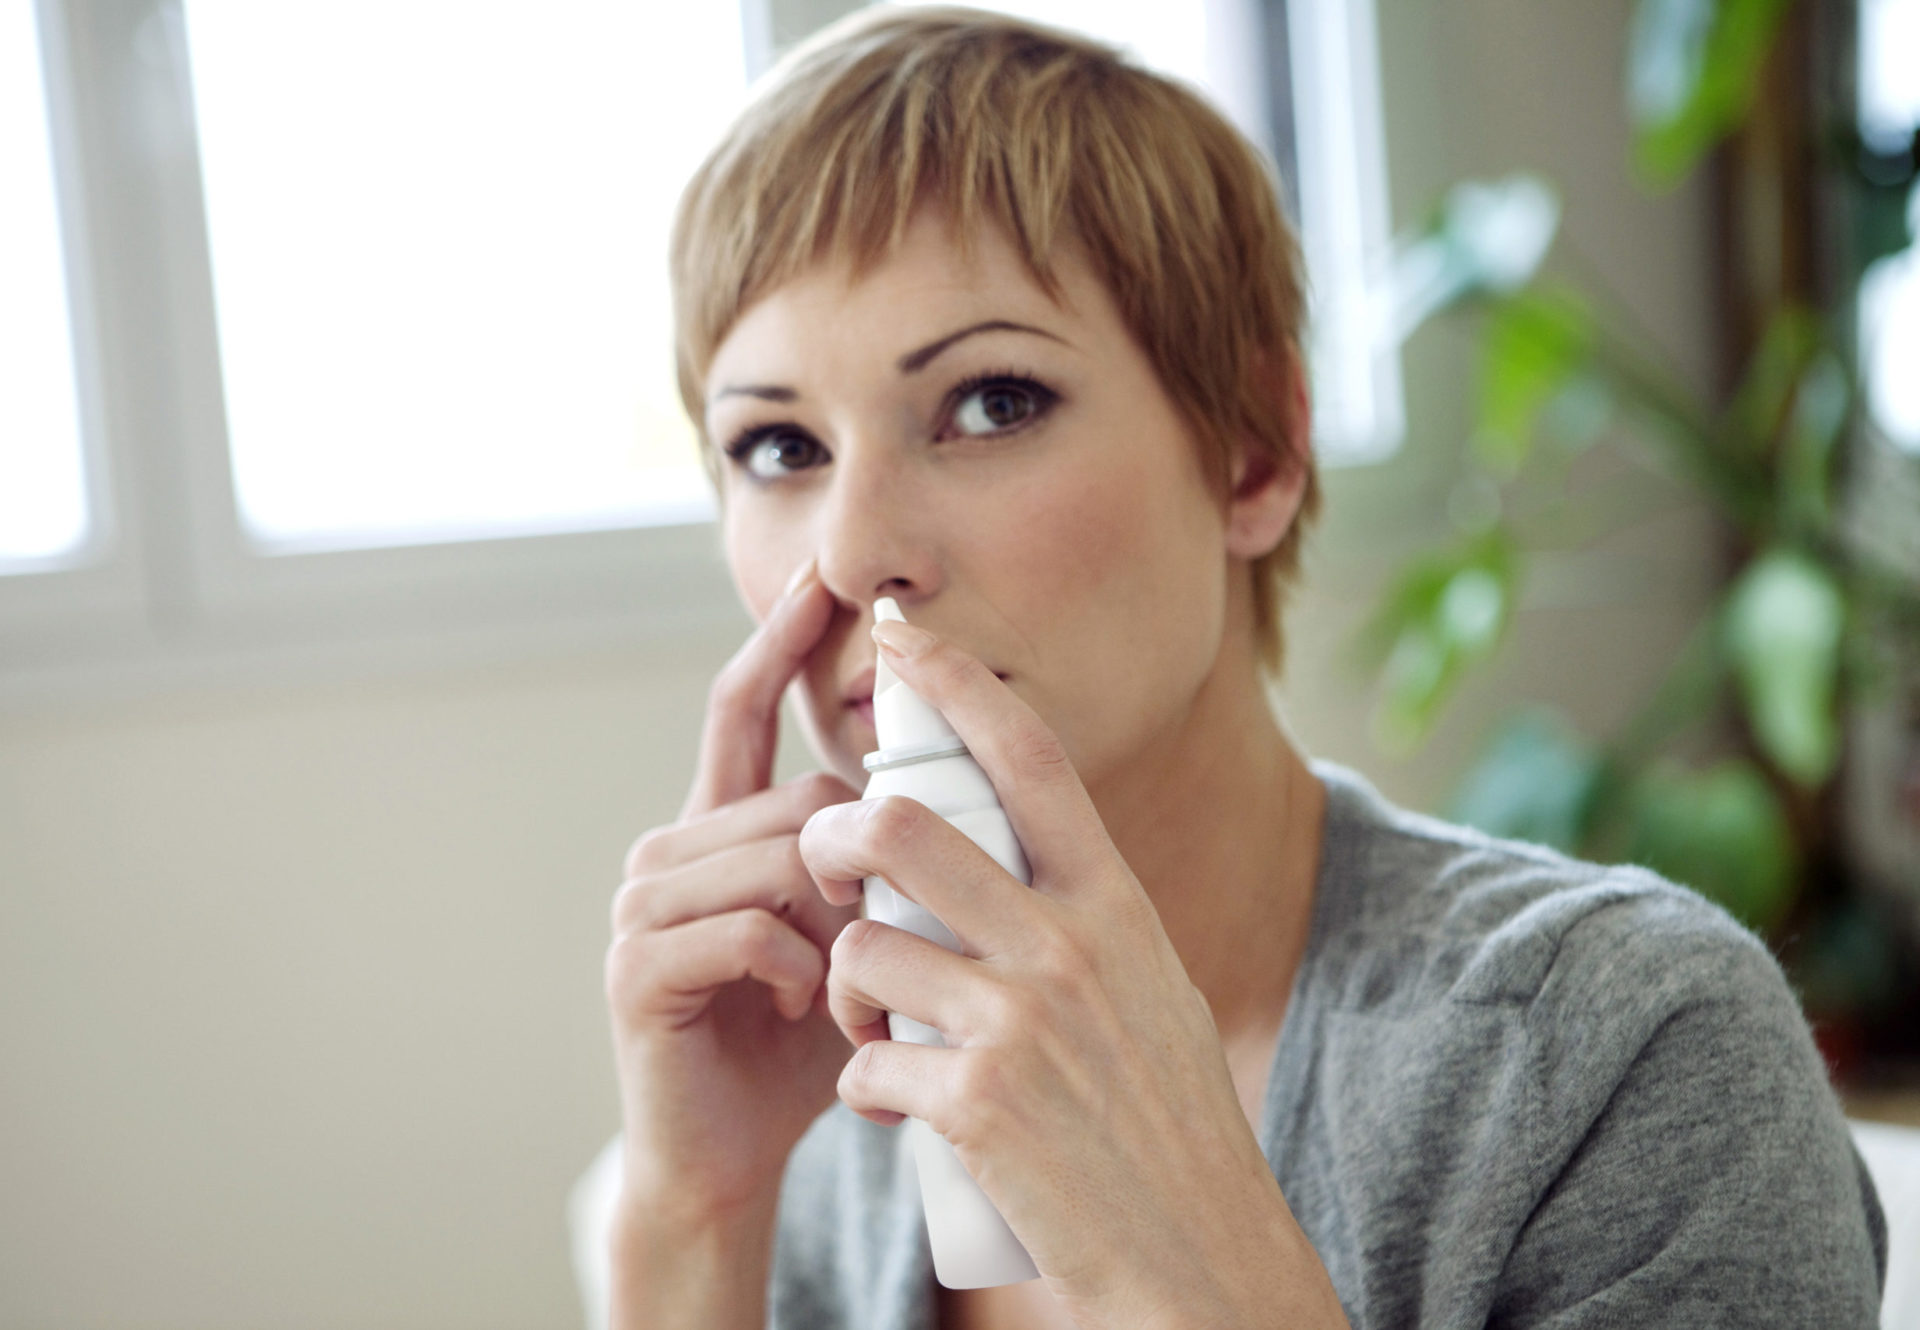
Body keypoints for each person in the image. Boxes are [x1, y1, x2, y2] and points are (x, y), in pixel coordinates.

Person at [594, 7, 1888, 1327]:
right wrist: (692, 1211)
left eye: (993, 401)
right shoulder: (821, 1119)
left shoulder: (1624, 1056)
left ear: (1256, 454)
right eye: (777, 447)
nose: (857, 549)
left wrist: (1178, 1246)